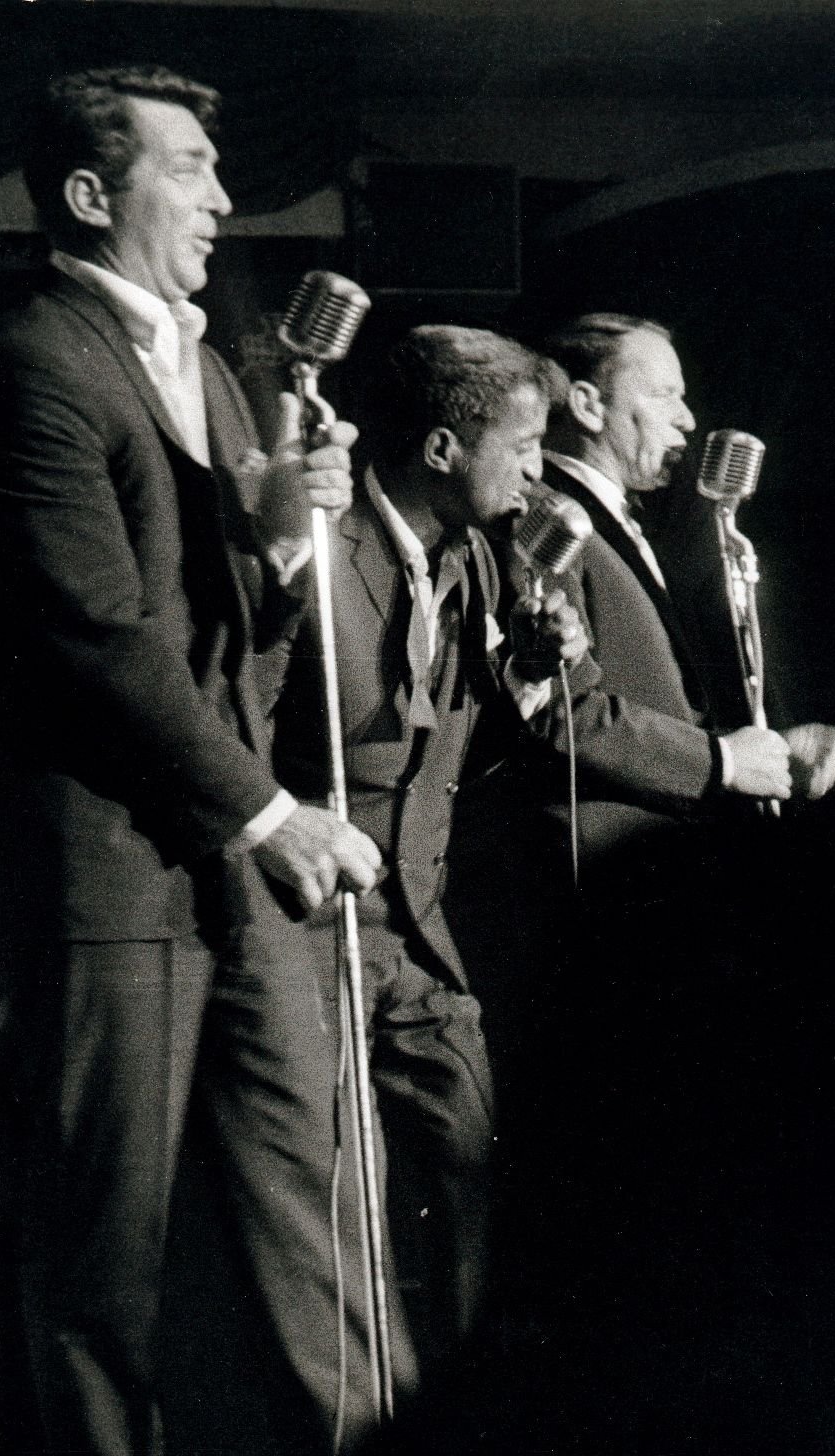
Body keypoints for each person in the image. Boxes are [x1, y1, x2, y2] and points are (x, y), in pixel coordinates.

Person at [0, 66, 380, 1456]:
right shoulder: (32, 363)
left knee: (313, 1239)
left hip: (233, 870)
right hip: (112, 887)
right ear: (89, 193)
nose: (223, 200)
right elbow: (93, 638)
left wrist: (285, 535)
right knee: (104, 1279)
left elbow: (237, 639)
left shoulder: (221, 381)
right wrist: (273, 816)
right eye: (188, 168)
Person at [216, 324, 592, 1439]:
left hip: (417, 936)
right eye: (523, 447)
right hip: (307, 931)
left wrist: (536, 667)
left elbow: (489, 722)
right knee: (346, 1216)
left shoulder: (478, 557)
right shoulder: (320, 544)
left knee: (483, 1170)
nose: (539, 471)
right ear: (441, 448)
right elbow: (236, 713)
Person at [532, 312, 835, 863]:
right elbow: (555, 707)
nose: (687, 420)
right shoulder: (550, 521)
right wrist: (723, 761)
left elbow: (649, 693)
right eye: (663, 396)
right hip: (603, 863)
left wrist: (767, 748)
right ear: (587, 406)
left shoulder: (626, 519)